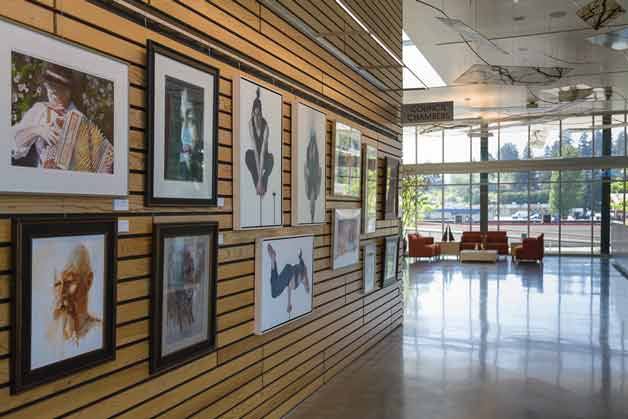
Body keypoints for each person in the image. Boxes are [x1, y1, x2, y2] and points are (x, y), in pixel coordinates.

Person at [11, 63, 113, 173]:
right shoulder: (40, 109)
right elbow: (14, 144)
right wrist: (38, 130)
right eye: (49, 86)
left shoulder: (81, 120)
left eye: (57, 88)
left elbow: (107, 163)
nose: (52, 92)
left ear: (68, 91)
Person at [51, 244, 101, 345]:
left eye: (70, 281)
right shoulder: (49, 334)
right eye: (58, 284)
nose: (61, 293)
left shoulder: (98, 331)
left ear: (89, 281)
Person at [165, 86, 204, 182]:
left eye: (191, 120)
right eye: (182, 120)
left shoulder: (205, 167)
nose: (183, 133)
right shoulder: (173, 164)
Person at [245, 87, 274, 196]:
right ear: (253, 113)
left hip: (264, 156)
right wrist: (258, 178)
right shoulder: (250, 124)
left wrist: (261, 178)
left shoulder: (265, 126)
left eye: (259, 115)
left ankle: (261, 184)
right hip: (255, 154)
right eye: (255, 115)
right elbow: (256, 152)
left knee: (271, 160)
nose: (257, 118)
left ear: (261, 114)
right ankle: (258, 186)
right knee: (248, 155)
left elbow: (262, 153)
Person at [267, 244, 310, 313]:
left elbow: (290, 288)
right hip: (289, 272)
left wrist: (289, 303)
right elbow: (291, 288)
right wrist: (289, 303)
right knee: (275, 290)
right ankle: (273, 260)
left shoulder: (301, 276)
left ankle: (273, 261)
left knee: (274, 292)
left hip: (288, 271)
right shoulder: (300, 278)